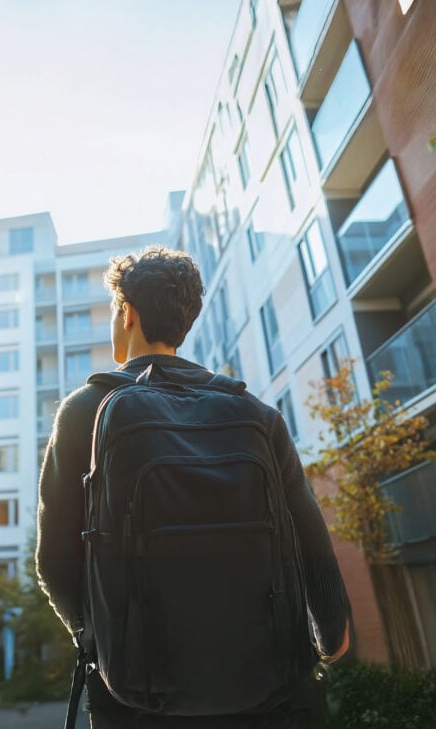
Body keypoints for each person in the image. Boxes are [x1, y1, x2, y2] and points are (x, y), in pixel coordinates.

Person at [36, 246, 351, 729]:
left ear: (129, 313)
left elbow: (54, 560)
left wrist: (98, 636)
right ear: (185, 321)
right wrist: (331, 637)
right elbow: (312, 543)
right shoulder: (257, 414)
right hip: (269, 690)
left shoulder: (84, 411)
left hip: (137, 695)